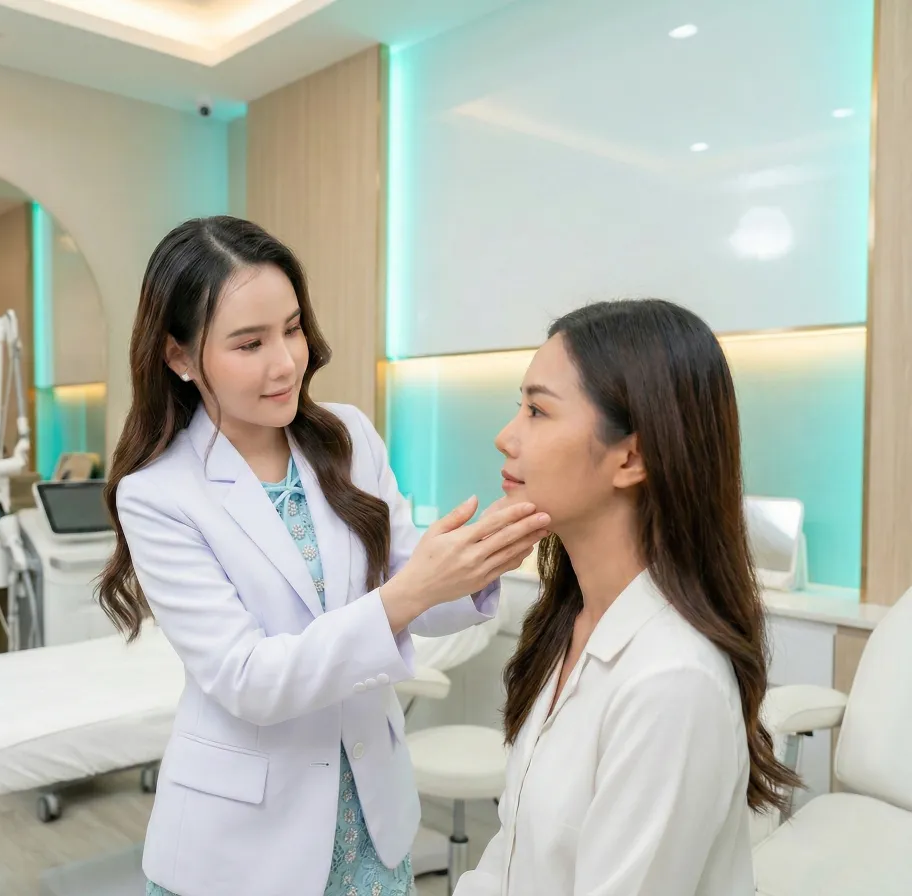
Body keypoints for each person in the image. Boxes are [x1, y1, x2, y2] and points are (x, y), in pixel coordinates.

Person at [97, 216, 550, 896]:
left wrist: (478, 562)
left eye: (292, 328)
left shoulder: (347, 438)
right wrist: (413, 590)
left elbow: (410, 583)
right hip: (242, 846)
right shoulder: (158, 495)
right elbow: (250, 679)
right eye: (249, 343)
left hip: (371, 818)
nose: (285, 362)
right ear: (180, 357)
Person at [454, 299, 800, 896]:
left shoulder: (671, 680)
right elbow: (510, 851)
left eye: (537, 410)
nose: (505, 436)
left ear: (631, 457)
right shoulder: (570, 623)